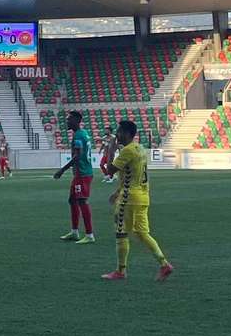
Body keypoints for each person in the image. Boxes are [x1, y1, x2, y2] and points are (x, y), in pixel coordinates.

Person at [101, 120, 173, 282]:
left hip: (129, 199)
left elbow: (110, 170)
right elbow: (131, 175)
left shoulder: (127, 151)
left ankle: (121, 271)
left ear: (126, 134)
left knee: (121, 233)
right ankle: (164, 264)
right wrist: (117, 191)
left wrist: (111, 149)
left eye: (119, 132)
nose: (117, 135)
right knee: (142, 233)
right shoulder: (139, 149)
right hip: (142, 197)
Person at [53, 111, 95, 244]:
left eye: (69, 119)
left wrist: (62, 170)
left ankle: (89, 234)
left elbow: (77, 156)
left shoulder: (78, 136)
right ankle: (75, 232)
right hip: (80, 174)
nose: (67, 121)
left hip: (82, 174)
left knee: (82, 201)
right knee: (72, 200)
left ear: (77, 120)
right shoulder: (83, 133)